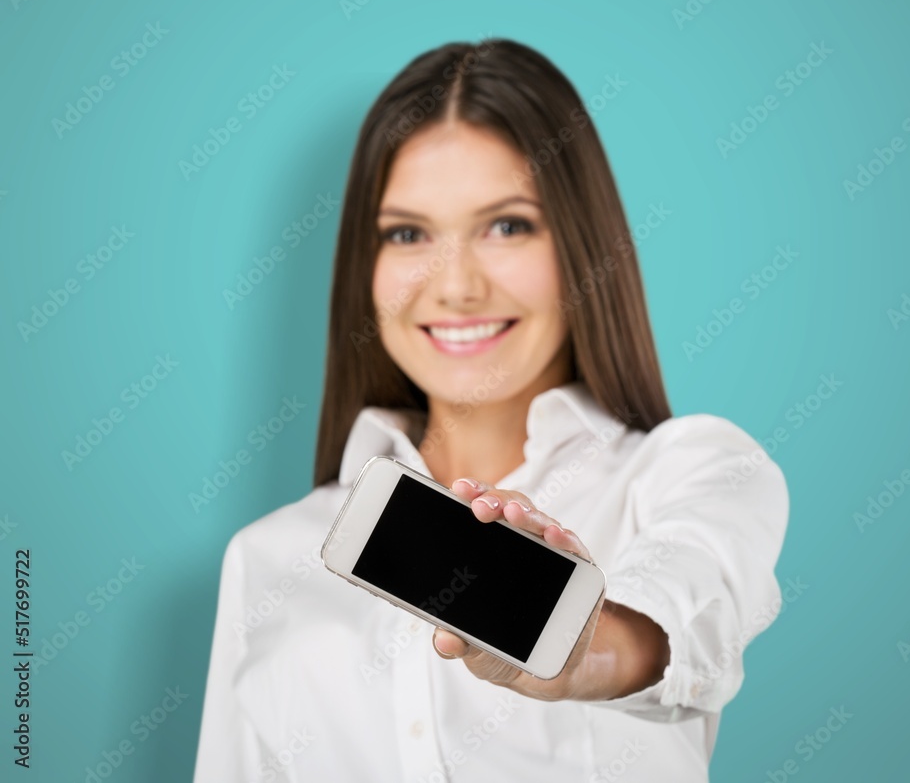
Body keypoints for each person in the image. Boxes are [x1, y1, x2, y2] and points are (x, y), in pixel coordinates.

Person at [192, 38, 789, 783]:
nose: (456, 286)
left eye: (506, 225)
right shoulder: (267, 558)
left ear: (581, 243)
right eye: (407, 234)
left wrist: (580, 651)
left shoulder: (696, 470)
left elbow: (677, 610)